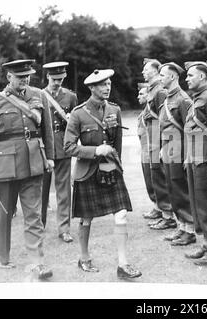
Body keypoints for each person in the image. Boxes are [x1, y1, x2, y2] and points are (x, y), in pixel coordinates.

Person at [0, 59, 55, 279]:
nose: (25, 79)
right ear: (8, 77)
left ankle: (37, 262)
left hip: (33, 163)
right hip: (4, 166)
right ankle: (2, 256)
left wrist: (49, 157)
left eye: (28, 75)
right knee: (3, 213)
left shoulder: (39, 96)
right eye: (20, 76)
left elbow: (47, 130)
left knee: (33, 214)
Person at [64, 69, 141, 279]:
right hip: (88, 171)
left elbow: (117, 144)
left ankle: (123, 264)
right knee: (86, 218)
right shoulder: (79, 114)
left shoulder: (114, 110)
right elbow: (68, 147)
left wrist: (118, 165)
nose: (107, 88)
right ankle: (84, 257)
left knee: (121, 213)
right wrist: (95, 151)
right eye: (101, 85)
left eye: (108, 84)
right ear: (91, 88)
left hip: (110, 169)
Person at [183, 61, 207, 263]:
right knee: (198, 202)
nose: (187, 79)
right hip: (195, 158)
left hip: (206, 159)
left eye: (191, 75)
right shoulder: (196, 98)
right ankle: (206, 244)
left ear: (202, 77)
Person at [158, 62, 195, 246]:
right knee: (172, 189)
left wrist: (188, 155)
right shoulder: (167, 98)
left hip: (179, 148)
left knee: (181, 189)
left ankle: (189, 230)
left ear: (173, 77)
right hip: (169, 148)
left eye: (163, 75)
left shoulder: (183, 99)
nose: (160, 78)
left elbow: (189, 130)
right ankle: (181, 226)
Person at [41, 61, 77, 243]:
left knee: (63, 190)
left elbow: (75, 125)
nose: (57, 82)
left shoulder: (70, 97)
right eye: (54, 79)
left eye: (60, 79)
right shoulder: (38, 95)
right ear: (47, 76)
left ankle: (64, 228)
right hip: (44, 149)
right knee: (41, 190)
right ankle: (39, 225)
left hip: (63, 146)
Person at [141, 58, 175, 228]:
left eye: (146, 70)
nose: (143, 72)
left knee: (159, 174)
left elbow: (164, 119)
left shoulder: (160, 91)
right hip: (151, 132)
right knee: (154, 173)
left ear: (155, 71)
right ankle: (161, 209)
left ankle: (168, 214)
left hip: (157, 133)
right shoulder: (152, 89)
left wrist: (161, 143)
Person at [137, 82, 158, 213]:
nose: (138, 96)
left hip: (151, 152)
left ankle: (161, 209)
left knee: (154, 182)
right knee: (149, 182)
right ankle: (156, 207)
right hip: (144, 152)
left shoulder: (152, 113)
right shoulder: (144, 112)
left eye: (141, 94)